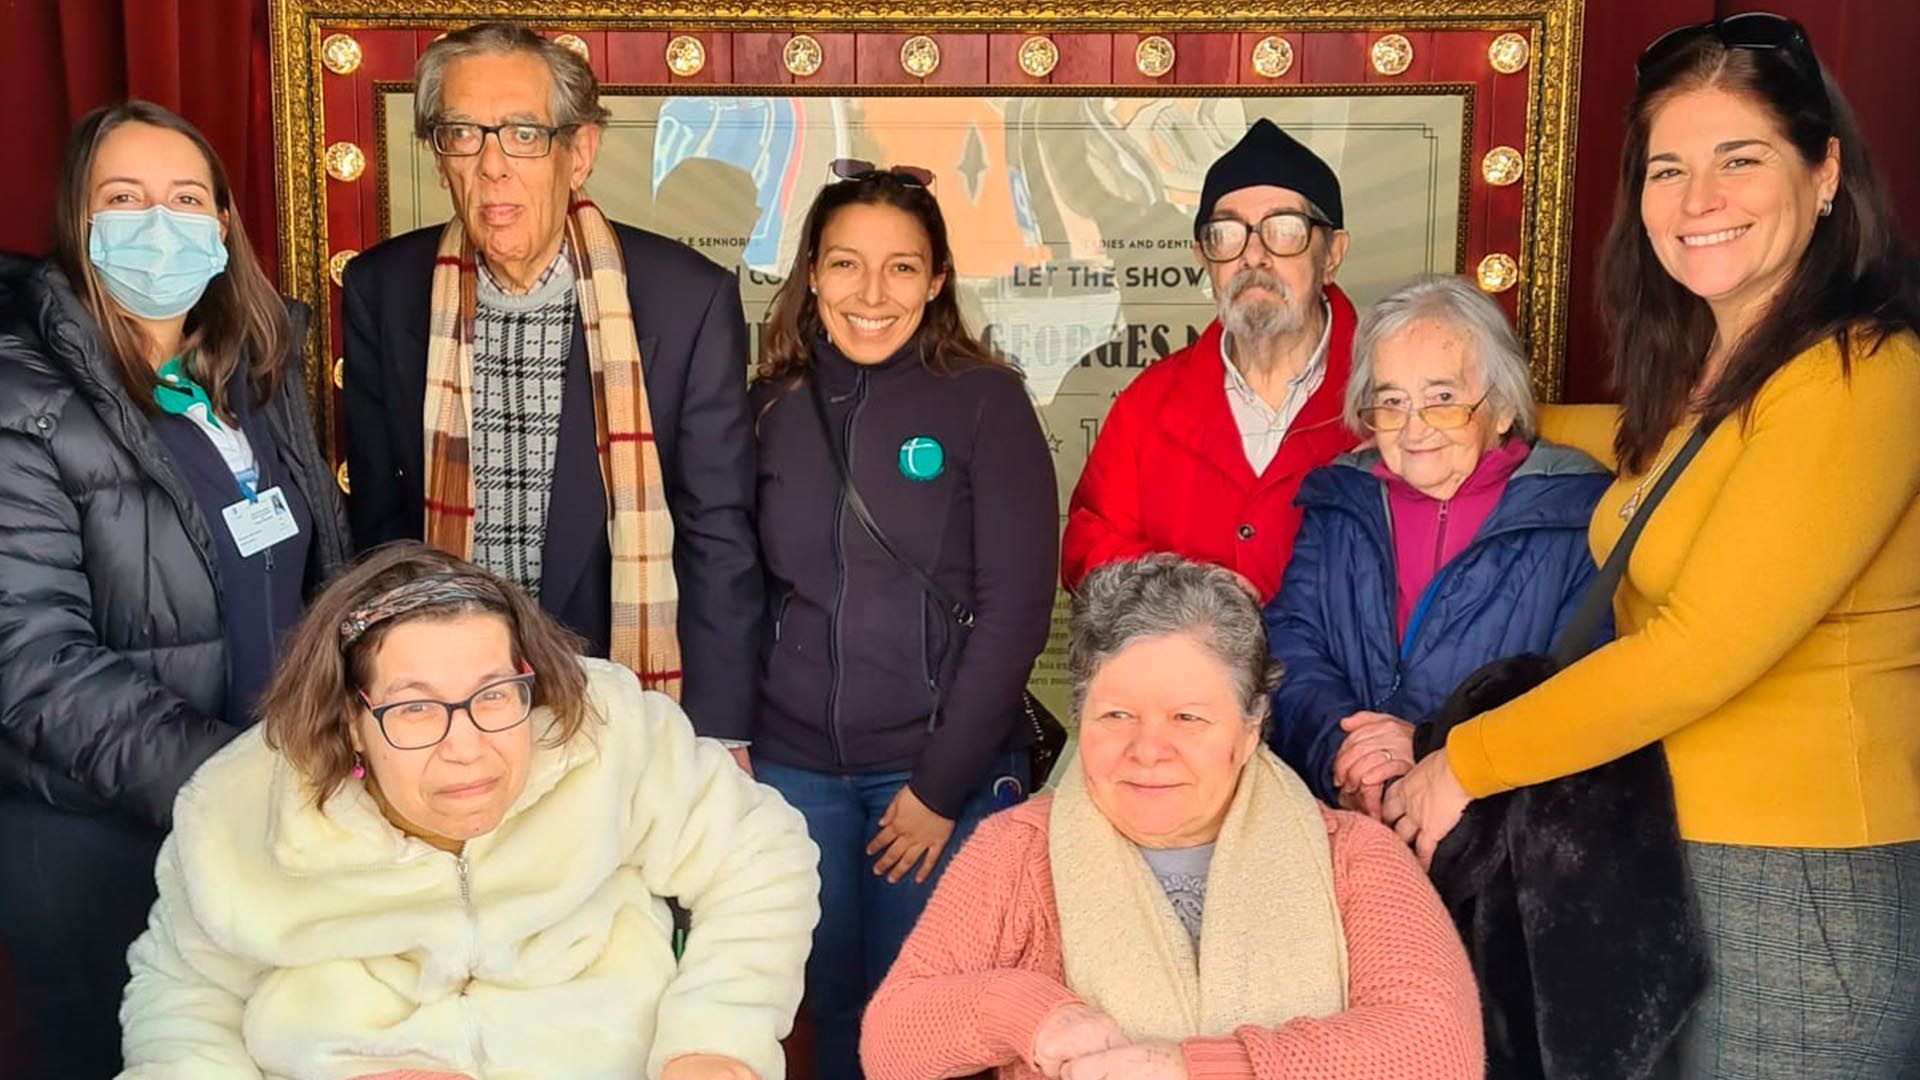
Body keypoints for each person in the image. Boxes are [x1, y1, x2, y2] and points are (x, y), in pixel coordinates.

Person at [1385, 14, 1920, 1077]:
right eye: (1669, 169)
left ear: (1824, 173)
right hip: (1675, 862)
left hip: (1800, 887)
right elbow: (1630, 455)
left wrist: (1465, 766)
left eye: (1740, 160)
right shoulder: (1720, 387)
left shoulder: (1860, 375)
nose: (1698, 199)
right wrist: (1453, 410)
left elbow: (1696, 650)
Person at [116, 544, 819, 1080]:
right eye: (415, 709)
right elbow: (181, 1002)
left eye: (494, 695)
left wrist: (714, 1043)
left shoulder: (608, 732)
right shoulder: (239, 807)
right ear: (351, 719)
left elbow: (759, 857)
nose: (467, 749)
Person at [0, 101, 350, 1080]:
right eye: (124, 199)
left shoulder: (247, 373)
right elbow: (29, 661)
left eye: (186, 199)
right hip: (99, 845)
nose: (159, 224)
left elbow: (314, 574)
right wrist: (232, 780)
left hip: (262, 820)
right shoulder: (21, 396)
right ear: (78, 221)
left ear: (223, 223)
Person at [861, 555, 1481, 1080]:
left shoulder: (1354, 855)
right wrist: (1028, 1013)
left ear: (1250, 727)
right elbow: (891, 1039)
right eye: (1116, 716)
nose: (1148, 750)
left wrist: (1192, 1067)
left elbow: (1438, 1048)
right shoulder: (1017, 850)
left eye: (1188, 718)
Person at [340, 23, 760, 757]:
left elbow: (716, 533)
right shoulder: (384, 288)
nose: (492, 166)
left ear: (580, 152)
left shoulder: (684, 299)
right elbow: (379, 523)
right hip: (441, 703)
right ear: (440, 157)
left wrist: (719, 735)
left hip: (614, 696)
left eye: (524, 135)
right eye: (463, 134)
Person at [748, 161, 1058, 1080]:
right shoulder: (769, 404)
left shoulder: (985, 400)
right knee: (823, 1017)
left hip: (933, 774)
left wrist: (939, 787)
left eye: (902, 268)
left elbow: (1016, 610)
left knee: (923, 1023)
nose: (872, 294)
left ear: (938, 280)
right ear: (812, 273)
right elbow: (737, 584)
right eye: (846, 264)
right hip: (795, 772)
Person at [1265, 276, 1608, 813]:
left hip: (1493, 830)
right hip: (1349, 813)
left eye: (1442, 399)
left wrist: (1428, 748)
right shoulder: (1340, 502)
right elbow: (1291, 642)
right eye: (1392, 402)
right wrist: (1346, 752)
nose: (1413, 429)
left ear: (1502, 407)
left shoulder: (1578, 515)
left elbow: (1583, 690)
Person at [1061, 119, 1360, 602]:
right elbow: (1087, 546)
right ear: (1204, 257)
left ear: (1332, 254)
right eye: (1227, 234)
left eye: (1285, 230)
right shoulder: (1149, 404)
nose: (1254, 255)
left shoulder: (1386, 395)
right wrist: (1194, 597)